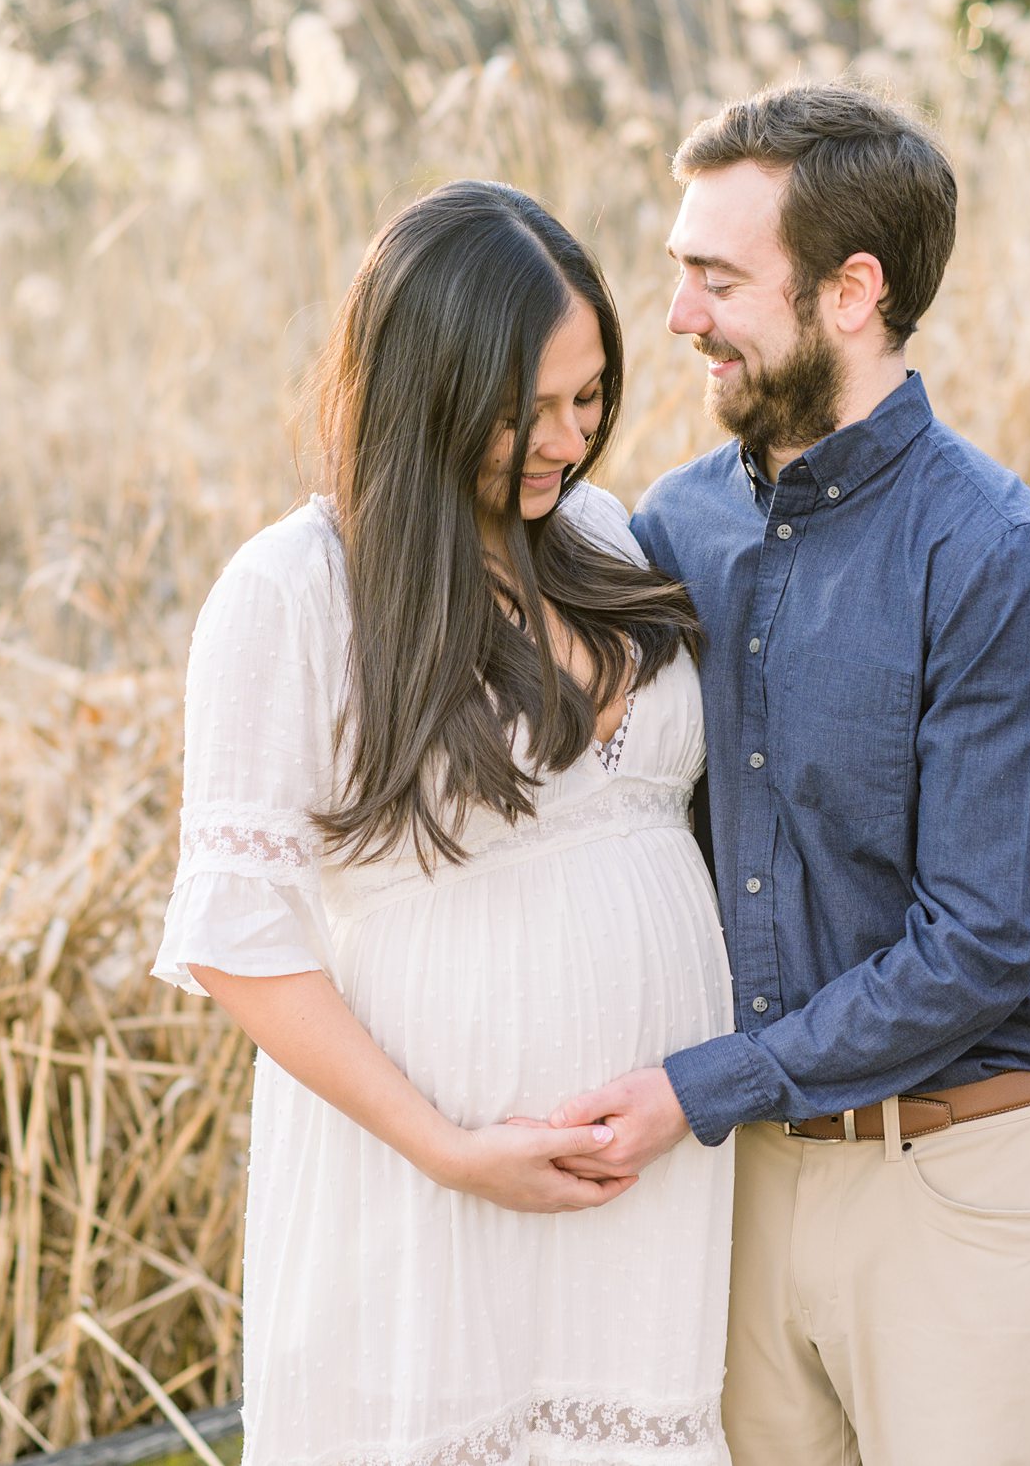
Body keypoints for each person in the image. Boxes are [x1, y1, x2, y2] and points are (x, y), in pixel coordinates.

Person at [545, 83, 1030, 1466]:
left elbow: (982, 944)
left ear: (850, 291)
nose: (679, 315)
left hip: (964, 1184)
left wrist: (702, 1086)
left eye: (717, 277)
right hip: (740, 1184)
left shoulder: (999, 558)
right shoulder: (670, 525)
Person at [149, 180, 735, 1466]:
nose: (569, 440)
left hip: (646, 1179)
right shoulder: (293, 593)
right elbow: (240, 939)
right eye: (527, 411)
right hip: (428, 1181)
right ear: (425, 384)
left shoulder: (591, 530)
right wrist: (455, 1151)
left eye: (590, 399)